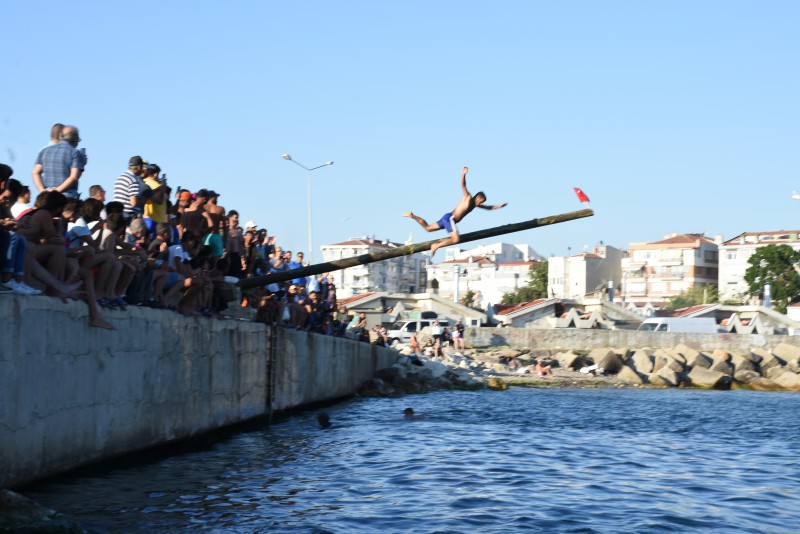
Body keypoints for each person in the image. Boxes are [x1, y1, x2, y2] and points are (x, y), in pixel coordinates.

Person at [403, 166, 507, 256]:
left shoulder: (475, 205)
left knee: (428, 228)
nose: (481, 204)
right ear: (477, 198)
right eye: (481, 202)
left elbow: (488, 208)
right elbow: (463, 185)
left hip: (447, 218)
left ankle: (412, 216)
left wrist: (499, 206)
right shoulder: (468, 198)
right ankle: (436, 246)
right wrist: (463, 174)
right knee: (456, 239)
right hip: (450, 219)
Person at [31, 125, 85, 199]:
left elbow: (35, 172)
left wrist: (42, 190)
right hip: (66, 198)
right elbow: (74, 177)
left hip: (47, 197)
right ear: (75, 139)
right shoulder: (75, 152)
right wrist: (56, 191)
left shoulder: (44, 151)